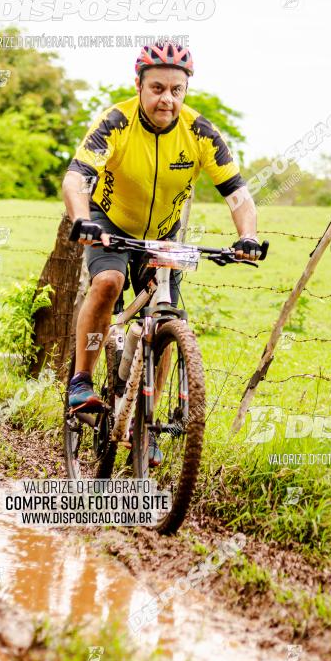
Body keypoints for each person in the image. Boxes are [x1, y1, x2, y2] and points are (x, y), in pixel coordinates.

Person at [61, 42, 261, 462]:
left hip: (164, 232)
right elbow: (77, 177)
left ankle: (144, 423)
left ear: (186, 90)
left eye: (176, 89)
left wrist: (246, 237)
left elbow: (238, 193)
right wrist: (83, 219)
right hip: (111, 221)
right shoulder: (115, 121)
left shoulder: (200, 131)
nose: (166, 99)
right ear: (139, 86)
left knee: (165, 314)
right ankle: (81, 381)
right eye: (156, 88)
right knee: (109, 282)